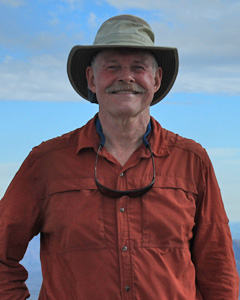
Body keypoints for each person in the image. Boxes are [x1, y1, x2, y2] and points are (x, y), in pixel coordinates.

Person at [0, 14, 239, 300]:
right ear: (91, 78)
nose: (126, 78)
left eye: (138, 68)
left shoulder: (192, 161)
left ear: (156, 80)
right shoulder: (46, 163)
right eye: (112, 67)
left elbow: (218, 269)